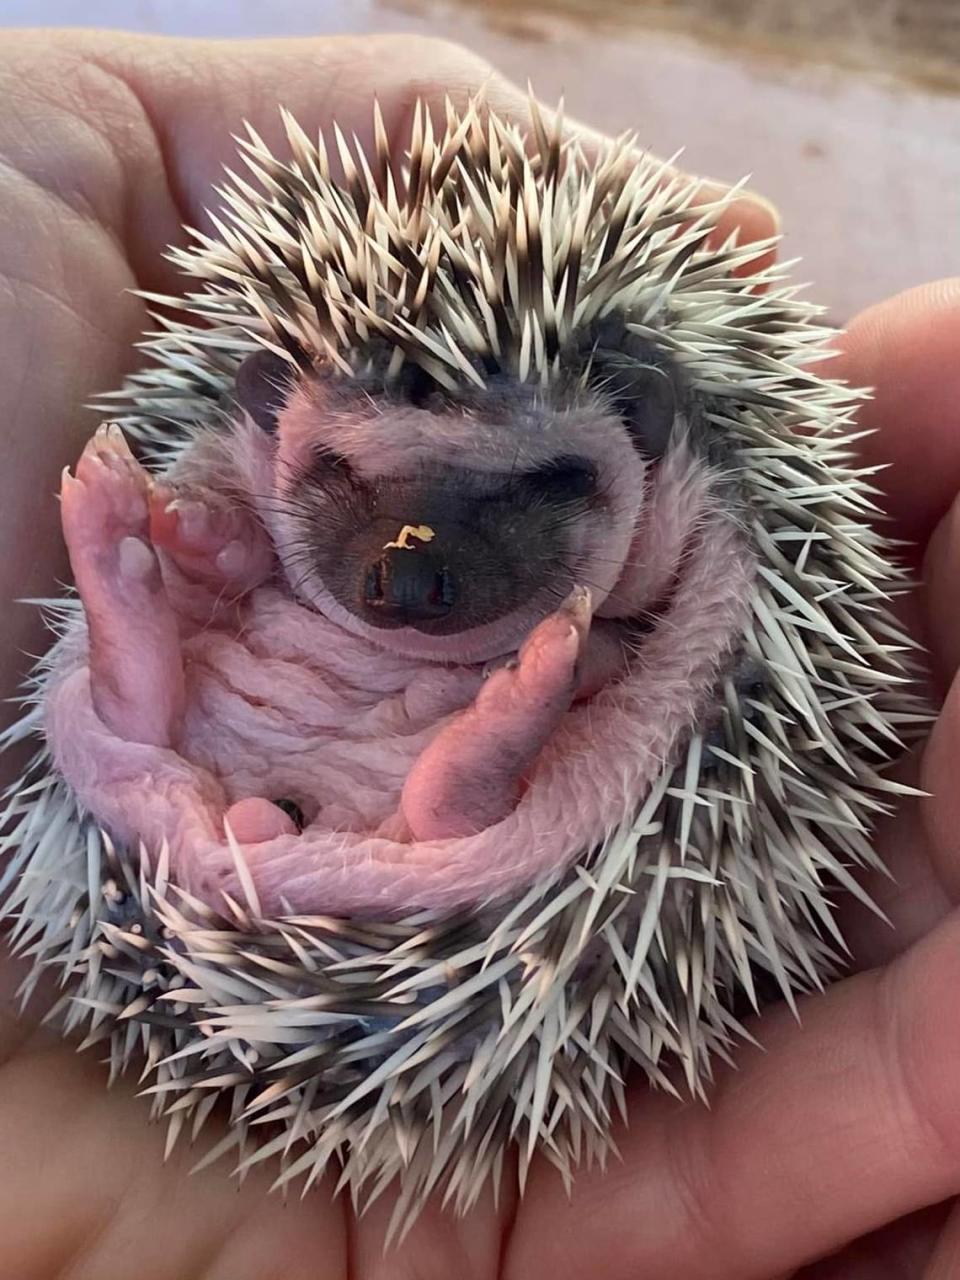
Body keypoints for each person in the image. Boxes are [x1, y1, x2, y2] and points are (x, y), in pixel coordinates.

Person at [0, 28, 958, 1280]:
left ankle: (414, 804)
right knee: (182, 621)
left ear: (650, 435)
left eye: (532, 489)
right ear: (262, 408)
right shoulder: (255, 449)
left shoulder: (714, 533)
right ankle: (432, 805)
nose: (407, 564)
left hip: (374, 806)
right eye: (341, 475)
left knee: (160, 670)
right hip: (330, 781)